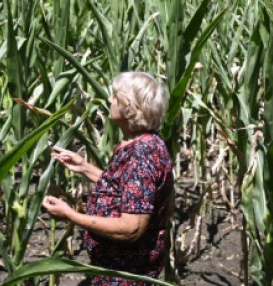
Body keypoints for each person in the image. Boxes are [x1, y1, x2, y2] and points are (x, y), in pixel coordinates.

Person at [42, 71, 174, 285]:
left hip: (125, 273)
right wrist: (85, 167)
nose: (109, 100)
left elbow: (131, 229)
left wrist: (70, 215)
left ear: (130, 106)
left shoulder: (142, 154)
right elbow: (127, 189)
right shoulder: (138, 142)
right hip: (114, 267)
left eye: (115, 96)